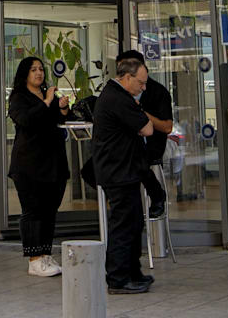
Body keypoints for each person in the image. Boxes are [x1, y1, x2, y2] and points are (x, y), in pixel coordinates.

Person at [91, 53, 154, 295]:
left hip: (123, 169)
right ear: (127, 77)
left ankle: (132, 272)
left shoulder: (118, 96)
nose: (143, 88)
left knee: (134, 221)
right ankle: (118, 278)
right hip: (118, 171)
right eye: (140, 83)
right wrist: (138, 118)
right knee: (124, 224)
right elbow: (147, 129)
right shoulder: (117, 98)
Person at [7, 56, 71, 277]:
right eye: (33, 69)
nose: (39, 73)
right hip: (28, 165)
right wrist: (45, 103)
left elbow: (60, 121)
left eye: (41, 69)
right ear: (25, 74)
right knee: (33, 211)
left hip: (53, 164)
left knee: (49, 211)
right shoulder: (18, 97)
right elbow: (26, 121)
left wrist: (61, 107)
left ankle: (45, 254)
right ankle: (34, 259)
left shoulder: (48, 95)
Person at [127, 50, 172, 220]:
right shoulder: (118, 93)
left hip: (148, 147)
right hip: (125, 146)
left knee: (136, 162)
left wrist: (140, 113)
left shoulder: (158, 93)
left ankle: (156, 196)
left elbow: (166, 127)